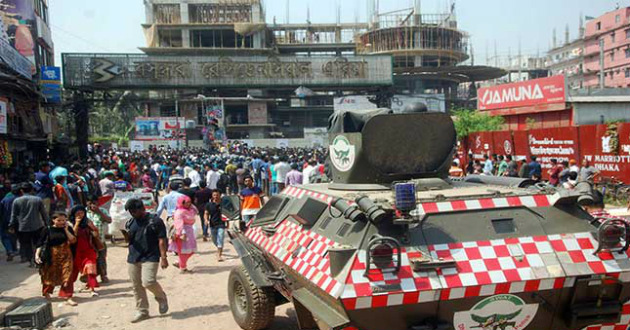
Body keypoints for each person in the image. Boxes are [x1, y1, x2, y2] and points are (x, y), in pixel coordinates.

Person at [124, 198, 169, 323]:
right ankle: (142, 311)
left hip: (151, 256)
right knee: (136, 285)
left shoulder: (155, 221)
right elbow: (131, 239)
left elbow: (162, 240)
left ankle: (161, 297)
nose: (132, 213)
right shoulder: (130, 222)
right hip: (134, 257)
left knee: (148, 281)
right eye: (130, 211)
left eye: (134, 211)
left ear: (142, 209)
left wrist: (164, 258)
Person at [35, 212, 78, 306]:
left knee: (67, 275)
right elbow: (40, 243)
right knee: (49, 274)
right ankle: (47, 293)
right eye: (59, 220)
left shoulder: (68, 228)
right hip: (51, 256)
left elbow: (73, 240)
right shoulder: (47, 230)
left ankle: (68, 296)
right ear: (53, 220)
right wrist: (37, 255)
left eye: (63, 220)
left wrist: (66, 230)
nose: (61, 222)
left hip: (66, 255)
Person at [9, 183, 48, 267]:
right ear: (31, 190)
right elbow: (44, 213)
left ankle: (30, 260)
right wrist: (47, 224)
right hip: (37, 225)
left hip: (23, 226)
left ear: (21, 190)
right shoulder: (38, 199)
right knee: (38, 243)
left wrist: (11, 225)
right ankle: (37, 259)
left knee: (26, 244)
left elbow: (13, 215)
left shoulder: (17, 201)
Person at [69, 206, 100, 297]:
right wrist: (77, 224)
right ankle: (68, 290)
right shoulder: (69, 224)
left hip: (88, 250)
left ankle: (92, 289)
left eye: (82, 213)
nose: (80, 215)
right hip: (75, 251)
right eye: (77, 213)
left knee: (91, 269)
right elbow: (72, 236)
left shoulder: (88, 222)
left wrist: (93, 228)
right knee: (73, 271)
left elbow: (95, 234)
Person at [87, 196, 112, 283]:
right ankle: (90, 277)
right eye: (91, 203)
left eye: (95, 203)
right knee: (90, 260)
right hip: (88, 241)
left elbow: (109, 220)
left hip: (100, 240)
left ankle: (103, 275)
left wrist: (99, 212)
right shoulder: (85, 213)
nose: (93, 205)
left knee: (101, 258)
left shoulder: (102, 211)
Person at [171, 195, 198, 273]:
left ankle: (180, 263)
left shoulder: (190, 210)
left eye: (190, 202)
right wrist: (182, 233)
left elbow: (196, 210)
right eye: (187, 202)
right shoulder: (179, 212)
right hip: (183, 234)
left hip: (190, 232)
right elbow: (179, 224)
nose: (189, 204)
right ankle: (183, 268)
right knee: (183, 251)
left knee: (192, 250)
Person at [205, 190, 227, 262]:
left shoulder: (224, 204)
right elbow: (206, 213)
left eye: (217, 195)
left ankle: (219, 254)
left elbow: (229, 212)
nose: (216, 196)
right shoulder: (209, 204)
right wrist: (206, 220)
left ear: (220, 195)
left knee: (220, 237)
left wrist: (228, 221)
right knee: (214, 239)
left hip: (221, 224)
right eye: (214, 195)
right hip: (212, 224)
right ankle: (219, 247)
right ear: (212, 196)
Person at [0, 184, 19, 261]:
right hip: (18, 221)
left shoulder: (5, 200)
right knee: (15, 235)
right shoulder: (20, 199)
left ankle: (10, 250)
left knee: (5, 237)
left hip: (5, 220)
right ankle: (16, 250)